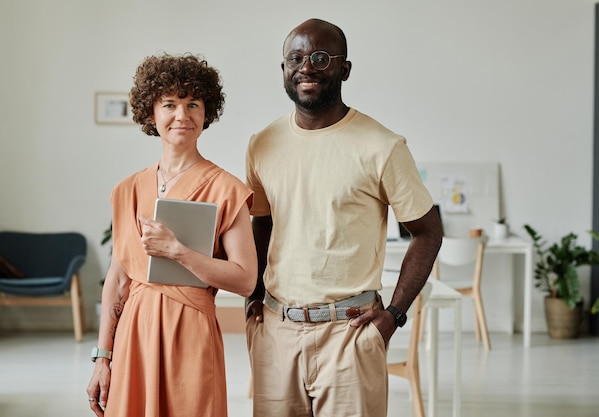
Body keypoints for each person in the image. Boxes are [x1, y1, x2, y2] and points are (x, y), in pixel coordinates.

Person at [245, 18, 443, 417]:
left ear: (345, 69)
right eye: (296, 58)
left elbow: (427, 232)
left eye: (321, 58)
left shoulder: (382, 146)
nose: (307, 67)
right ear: (283, 69)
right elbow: (262, 223)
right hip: (276, 329)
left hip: (350, 332)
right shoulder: (261, 145)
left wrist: (394, 315)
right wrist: (252, 297)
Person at [86, 53, 257, 417]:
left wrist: (179, 252)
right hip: (133, 334)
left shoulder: (227, 189)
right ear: (151, 114)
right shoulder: (128, 189)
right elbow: (118, 279)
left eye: (193, 103)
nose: (182, 115)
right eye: (170, 104)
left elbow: (245, 280)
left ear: (206, 112)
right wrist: (102, 356)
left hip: (191, 334)